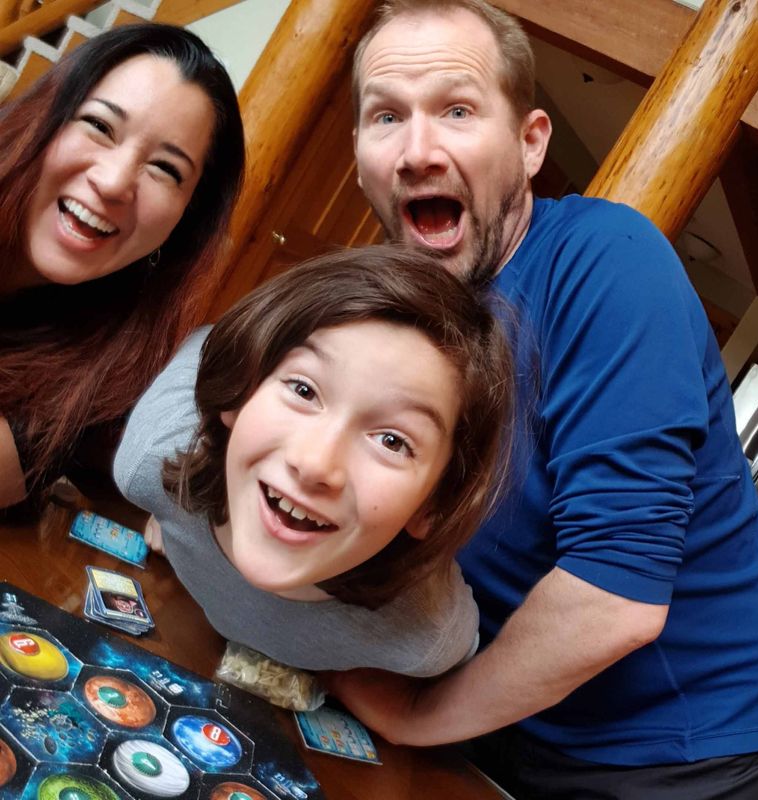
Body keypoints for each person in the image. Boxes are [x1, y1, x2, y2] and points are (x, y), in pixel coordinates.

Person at [326, 1, 758, 796]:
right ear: (361, 153)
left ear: (531, 141)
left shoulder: (606, 260)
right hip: (522, 723)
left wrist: (418, 715)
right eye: (385, 117)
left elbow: (611, 600)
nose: (416, 150)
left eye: (456, 109)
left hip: (707, 754)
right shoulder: (392, 306)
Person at [113, 245, 513, 677]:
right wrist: (169, 509)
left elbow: (464, 641)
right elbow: (204, 347)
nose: (316, 464)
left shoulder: (423, 637)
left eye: (393, 441)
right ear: (238, 390)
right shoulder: (150, 458)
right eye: (304, 390)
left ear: (433, 505)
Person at [0, 23, 245, 512]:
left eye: (165, 169)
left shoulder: (104, 371)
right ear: (42, 119)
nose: (114, 183)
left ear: (184, 221)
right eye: (100, 126)